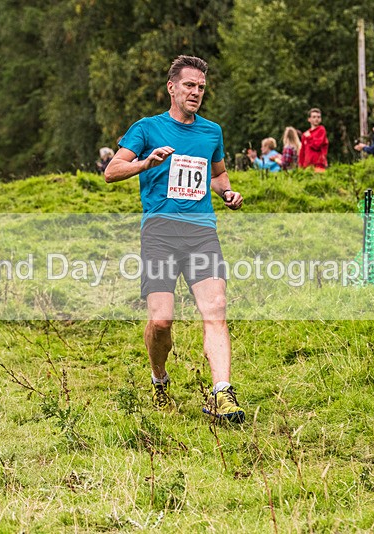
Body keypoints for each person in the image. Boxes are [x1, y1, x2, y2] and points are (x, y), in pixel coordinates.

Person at [104, 55, 246, 422]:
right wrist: (144, 163)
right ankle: (159, 378)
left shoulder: (211, 131)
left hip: (202, 232)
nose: (196, 92)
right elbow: (112, 171)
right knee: (162, 321)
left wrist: (227, 193)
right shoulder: (147, 128)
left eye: (200, 87)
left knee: (215, 309)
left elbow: (218, 174)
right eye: (189, 86)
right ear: (172, 87)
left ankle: (222, 394)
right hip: (160, 233)